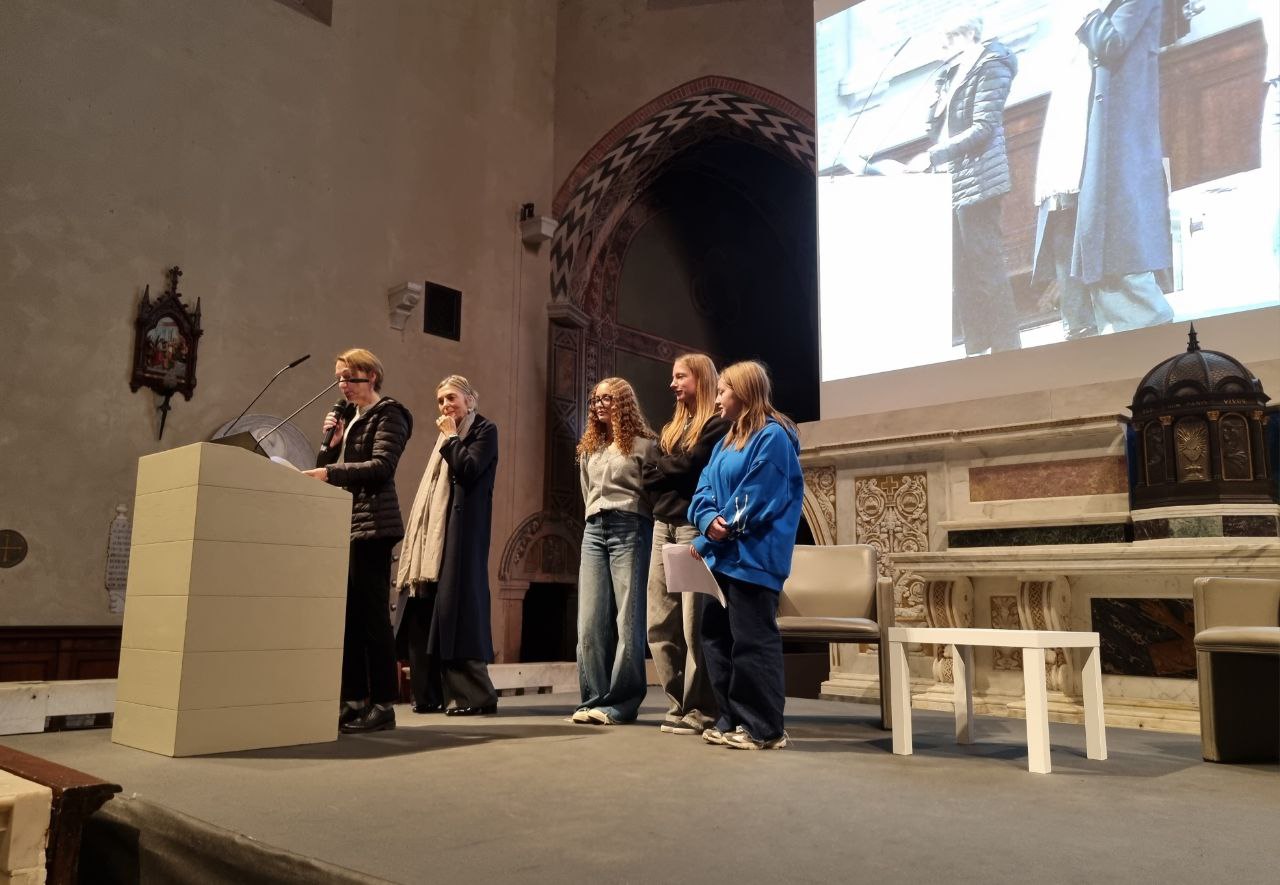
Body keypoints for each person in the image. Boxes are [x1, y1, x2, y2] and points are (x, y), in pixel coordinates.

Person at [689, 361, 804, 750]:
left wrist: (711, 536)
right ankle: (732, 718)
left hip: (755, 558)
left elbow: (758, 495)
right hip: (723, 559)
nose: (716, 399)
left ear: (743, 392)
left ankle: (764, 728)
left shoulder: (773, 437)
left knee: (752, 641)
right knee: (716, 639)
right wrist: (706, 520)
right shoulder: (725, 442)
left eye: (722, 391)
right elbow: (703, 488)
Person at [303, 348, 413, 734]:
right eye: (339, 378)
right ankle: (353, 699)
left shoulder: (390, 414)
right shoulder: (351, 419)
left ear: (371, 375)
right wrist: (331, 445)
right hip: (347, 524)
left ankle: (383, 703)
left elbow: (382, 467)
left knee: (372, 617)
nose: (342, 385)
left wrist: (331, 473)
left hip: (375, 526)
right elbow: (327, 465)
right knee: (347, 618)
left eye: (349, 377)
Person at [395, 375, 499, 717]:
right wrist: (449, 437)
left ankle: (474, 697)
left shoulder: (484, 430)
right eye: (440, 400)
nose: (445, 405)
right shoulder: (444, 438)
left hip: (461, 535)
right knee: (423, 609)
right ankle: (428, 694)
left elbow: (469, 469)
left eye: (451, 398)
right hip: (432, 540)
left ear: (470, 400)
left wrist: (452, 437)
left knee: (458, 611)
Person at [920, 14, 1022, 355]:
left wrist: (936, 154)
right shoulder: (950, 75)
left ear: (965, 35)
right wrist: (938, 93)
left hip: (979, 180)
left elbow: (983, 127)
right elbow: (933, 128)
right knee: (961, 274)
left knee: (987, 269)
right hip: (950, 182)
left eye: (945, 43)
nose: (942, 50)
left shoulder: (992, 63)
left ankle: (1008, 349)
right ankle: (976, 349)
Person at [1071, 0, 1176, 332]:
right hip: (1100, 123)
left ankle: (1149, 328)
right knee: (1102, 239)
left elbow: (1112, 44)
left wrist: (1085, 11)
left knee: (1121, 232)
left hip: (1121, 123)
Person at [641, 353, 730, 735]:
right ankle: (678, 703)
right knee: (660, 621)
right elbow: (651, 473)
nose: (673, 384)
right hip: (663, 525)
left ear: (700, 378)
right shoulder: (670, 429)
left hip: (694, 528)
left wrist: (667, 468)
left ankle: (702, 708)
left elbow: (694, 466)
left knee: (694, 625)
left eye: (680, 377)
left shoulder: (717, 423)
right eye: (673, 377)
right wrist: (671, 468)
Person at [574, 377, 657, 725]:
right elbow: (587, 491)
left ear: (623, 403)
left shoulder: (644, 445)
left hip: (630, 526)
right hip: (594, 528)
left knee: (628, 619)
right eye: (595, 400)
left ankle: (622, 703)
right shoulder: (589, 448)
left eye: (607, 399)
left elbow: (652, 494)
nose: (599, 405)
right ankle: (593, 699)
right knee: (589, 621)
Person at [1030, 1, 1100, 340]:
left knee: (1075, 234)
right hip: (1063, 159)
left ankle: (1083, 317)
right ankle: (1077, 319)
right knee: (1063, 235)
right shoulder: (1066, 58)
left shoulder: (1090, 48)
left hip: (1082, 153)